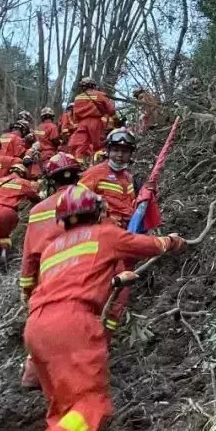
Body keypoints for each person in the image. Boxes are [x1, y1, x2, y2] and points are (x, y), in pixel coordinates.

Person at [5, 187, 185, 431]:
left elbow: (69, 278)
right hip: (73, 322)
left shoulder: (51, 249)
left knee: (63, 406)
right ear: (98, 211)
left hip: (36, 327)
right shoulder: (104, 234)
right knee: (92, 405)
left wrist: (112, 280)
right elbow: (150, 244)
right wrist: (173, 241)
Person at [19, 152, 82, 390]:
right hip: (79, 274)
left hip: (47, 279)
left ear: (50, 180)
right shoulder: (88, 200)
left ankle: (34, 374)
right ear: (77, 176)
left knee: (44, 324)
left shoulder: (37, 212)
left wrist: (27, 290)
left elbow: (29, 258)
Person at [78, 128, 139, 333]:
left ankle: (107, 329)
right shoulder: (96, 173)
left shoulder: (128, 179)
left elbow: (130, 207)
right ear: (108, 150)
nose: (120, 155)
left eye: (125, 151)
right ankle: (102, 330)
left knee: (123, 281)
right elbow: (77, 202)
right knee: (121, 281)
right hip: (102, 237)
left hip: (124, 236)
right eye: (116, 150)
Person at [0, 159, 42, 272]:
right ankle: (4, 255)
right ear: (23, 174)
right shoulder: (24, 183)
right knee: (4, 235)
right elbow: (34, 197)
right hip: (8, 212)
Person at [69, 78, 116, 165]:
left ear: (83, 87)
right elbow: (111, 110)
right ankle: (100, 164)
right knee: (99, 145)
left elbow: (75, 115)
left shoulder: (77, 98)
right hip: (96, 122)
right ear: (94, 85)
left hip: (82, 123)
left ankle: (79, 165)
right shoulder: (100, 95)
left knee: (81, 145)